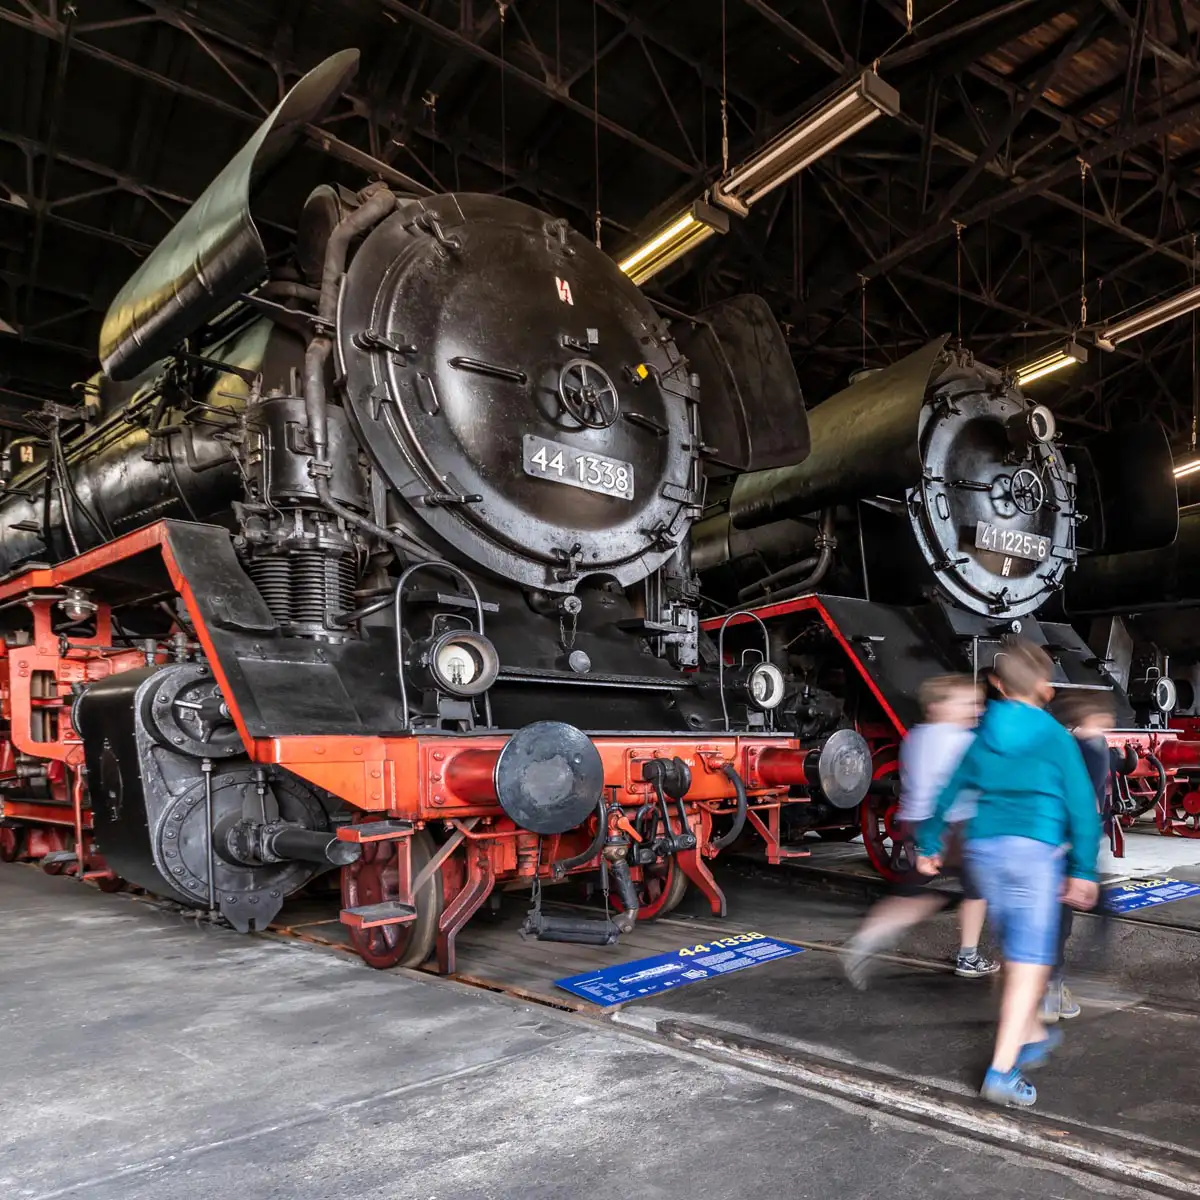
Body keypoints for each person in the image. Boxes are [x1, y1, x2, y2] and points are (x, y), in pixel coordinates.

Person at [916, 638, 1101, 1109]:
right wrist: (1081, 868)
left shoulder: (983, 734)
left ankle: (1034, 1032)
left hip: (985, 851)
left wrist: (928, 843)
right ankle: (1002, 1070)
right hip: (1032, 854)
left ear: (999, 686)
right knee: (1027, 964)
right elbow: (1082, 807)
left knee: (1022, 954)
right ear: (1044, 688)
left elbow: (950, 790)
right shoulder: (1054, 736)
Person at [844, 674, 999, 988]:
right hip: (953, 824)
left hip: (918, 821)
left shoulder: (916, 737)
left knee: (919, 892)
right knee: (975, 891)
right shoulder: (962, 740)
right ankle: (968, 955)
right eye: (967, 703)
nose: (976, 709)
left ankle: (868, 937)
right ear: (939, 706)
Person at [1044, 689, 1117, 1022]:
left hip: (1061, 842)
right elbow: (1087, 803)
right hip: (1076, 845)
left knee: (1058, 917)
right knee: (1069, 916)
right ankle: (1057, 986)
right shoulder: (1093, 748)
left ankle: (1051, 987)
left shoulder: (1067, 745)